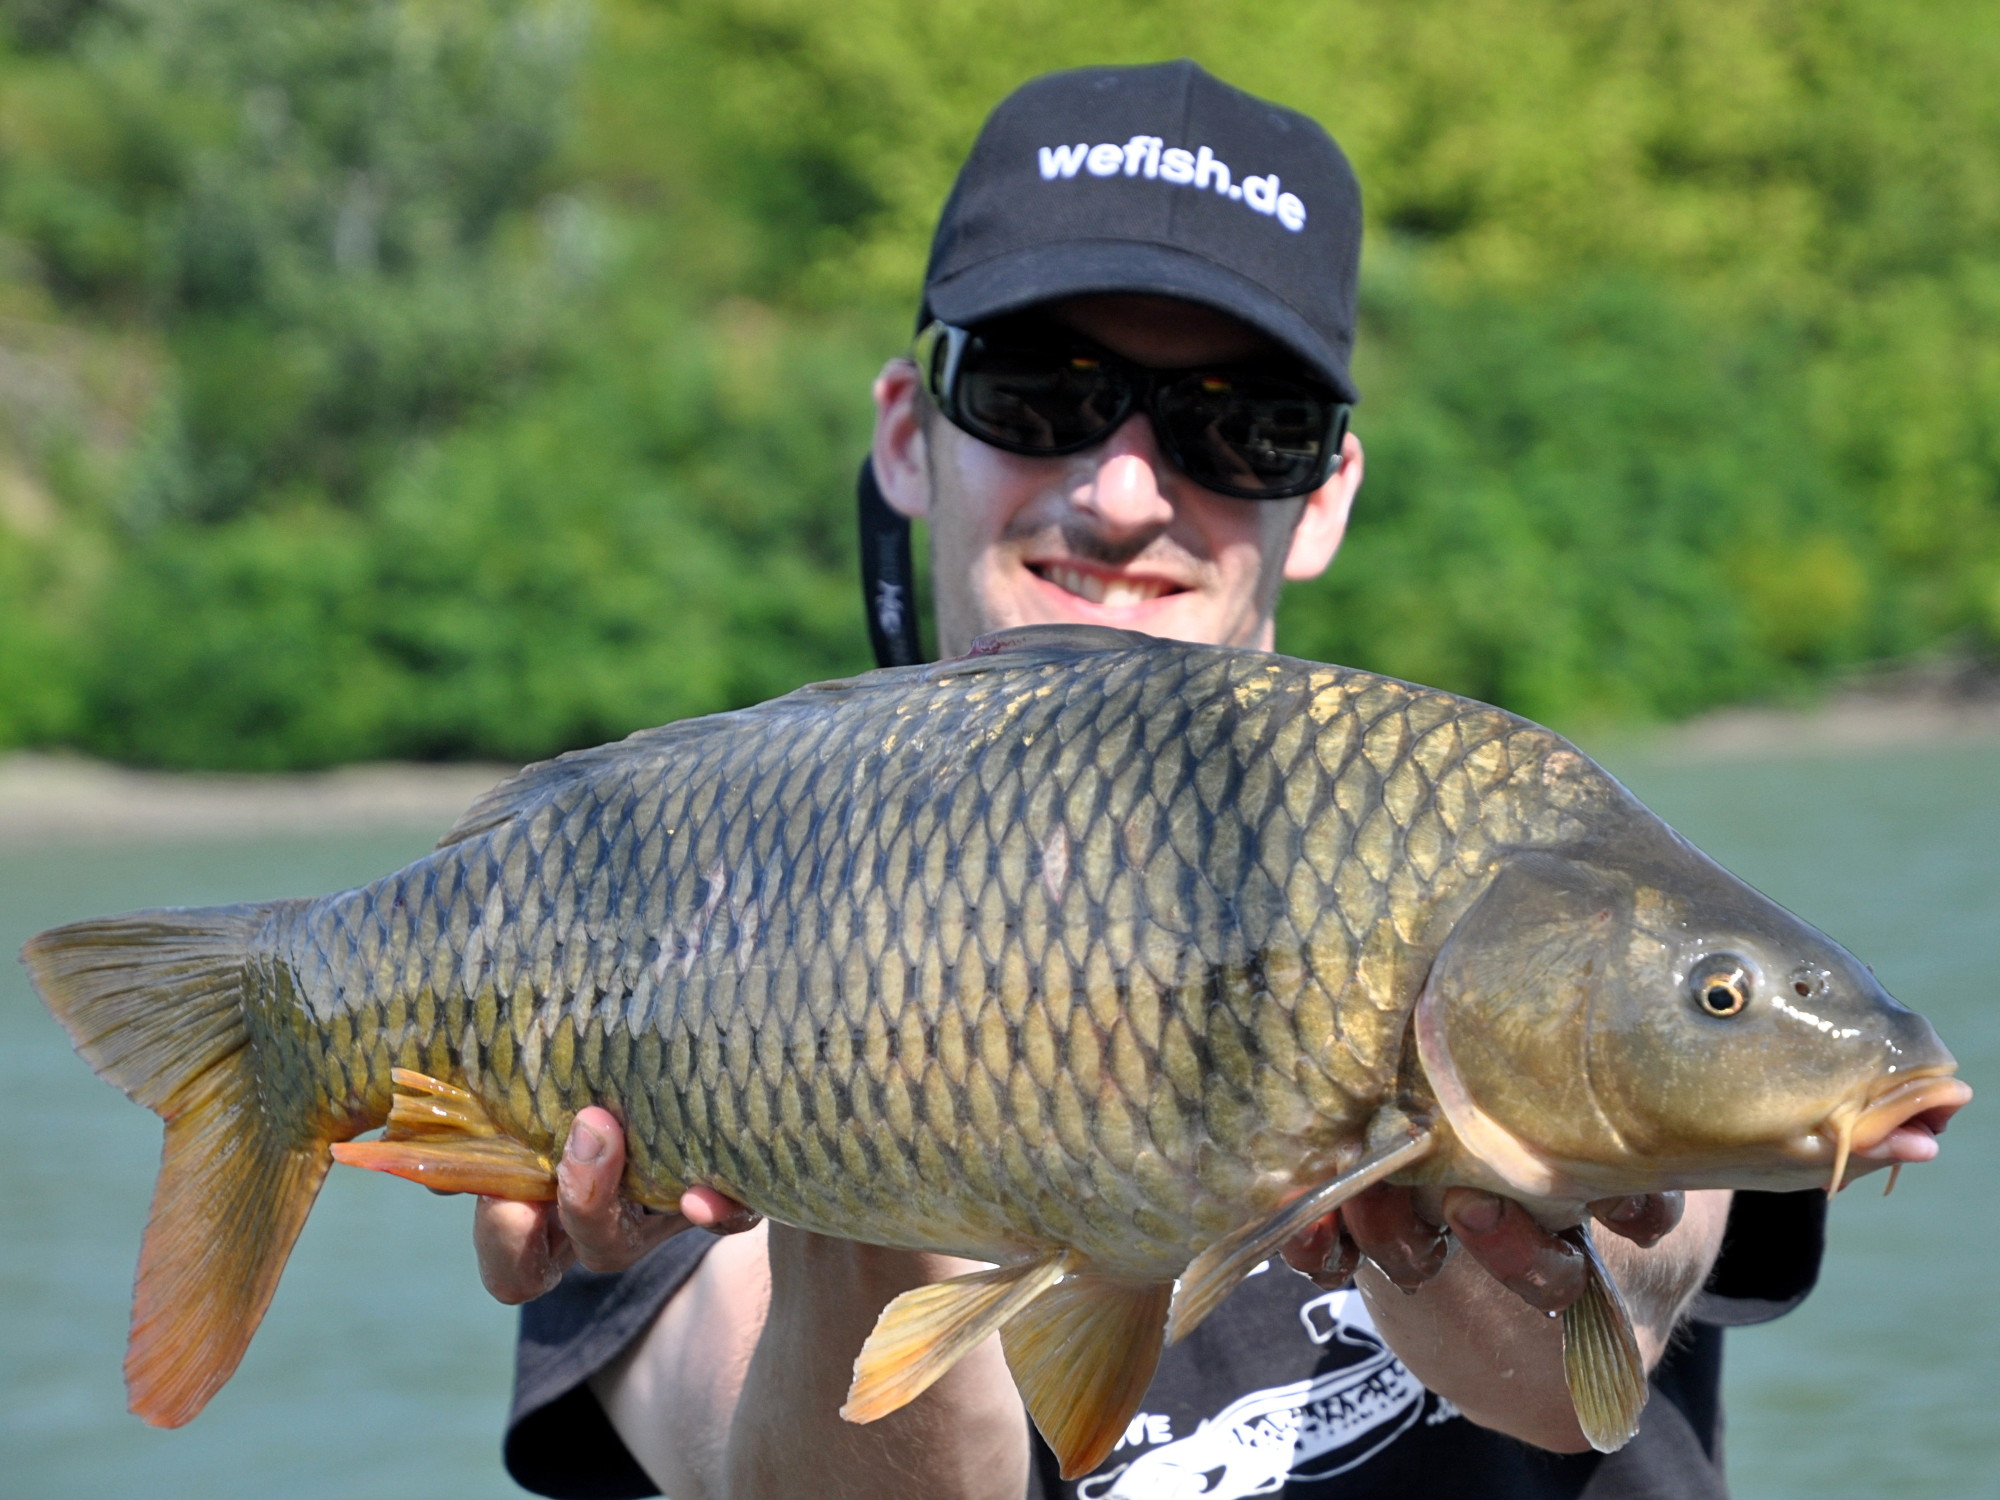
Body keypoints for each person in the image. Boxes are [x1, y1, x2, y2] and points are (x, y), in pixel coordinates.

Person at [487, 62, 1826, 1500]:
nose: (1123, 494)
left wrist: (1513, 1192)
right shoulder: (675, 917)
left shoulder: (1500, 845)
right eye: (1037, 396)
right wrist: (842, 1086)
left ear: (1322, 493)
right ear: (904, 436)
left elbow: (1625, 1294)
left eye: (1234, 423)